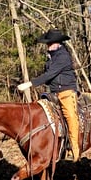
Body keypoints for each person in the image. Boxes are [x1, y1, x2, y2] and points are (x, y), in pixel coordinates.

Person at [17, 29, 80, 162]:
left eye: (49, 43)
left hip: (66, 91)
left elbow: (49, 75)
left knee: (70, 115)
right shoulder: (52, 56)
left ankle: (75, 147)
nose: (48, 46)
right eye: (47, 44)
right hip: (53, 92)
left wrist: (29, 84)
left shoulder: (63, 56)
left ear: (57, 43)